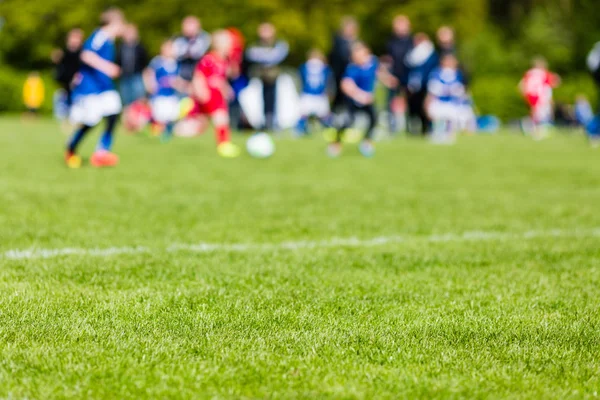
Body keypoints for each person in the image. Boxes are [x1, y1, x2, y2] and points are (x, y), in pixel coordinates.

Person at [65, 7, 126, 169]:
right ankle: (71, 148)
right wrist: (107, 67)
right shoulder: (100, 36)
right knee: (91, 121)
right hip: (91, 88)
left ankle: (101, 153)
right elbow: (86, 55)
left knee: (113, 115)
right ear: (115, 22)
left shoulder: (109, 40)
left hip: (105, 87)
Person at [328, 42, 396, 158]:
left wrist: (388, 80)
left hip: (368, 99)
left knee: (374, 120)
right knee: (348, 122)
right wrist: (360, 95)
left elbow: (379, 73)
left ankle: (366, 143)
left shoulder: (373, 63)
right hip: (355, 100)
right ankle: (336, 143)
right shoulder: (352, 68)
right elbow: (346, 85)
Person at [191, 30, 241, 158]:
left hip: (217, 95)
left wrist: (226, 89)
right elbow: (199, 76)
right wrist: (201, 91)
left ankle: (224, 144)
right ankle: (223, 145)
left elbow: (222, 78)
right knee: (220, 118)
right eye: (229, 43)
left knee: (215, 119)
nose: (231, 46)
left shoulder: (224, 61)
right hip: (209, 94)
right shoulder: (209, 59)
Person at [245, 23, 289, 131]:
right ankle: (257, 122)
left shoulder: (279, 44)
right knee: (256, 101)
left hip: (273, 78)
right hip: (257, 78)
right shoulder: (255, 45)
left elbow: (276, 56)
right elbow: (250, 55)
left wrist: (263, 56)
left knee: (273, 101)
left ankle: (271, 122)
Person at [143, 39, 185, 141]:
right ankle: (156, 129)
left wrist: (182, 85)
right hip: (159, 94)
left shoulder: (175, 64)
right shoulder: (157, 61)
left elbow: (176, 79)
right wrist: (150, 85)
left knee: (172, 114)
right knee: (160, 114)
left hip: (171, 94)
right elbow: (148, 73)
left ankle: (166, 133)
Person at [425, 54, 469, 143]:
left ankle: (449, 134)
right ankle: (437, 132)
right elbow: (432, 92)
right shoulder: (436, 74)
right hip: (439, 101)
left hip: (452, 103)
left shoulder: (458, 75)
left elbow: (461, 92)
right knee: (436, 114)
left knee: (453, 116)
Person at [405, 33, 438, 135]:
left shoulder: (431, 54)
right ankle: (413, 129)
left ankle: (427, 129)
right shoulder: (411, 54)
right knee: (413, 108)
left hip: (426, 85)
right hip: (413, 86)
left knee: (425, 108)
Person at [519, 57, 561, 137]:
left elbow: (521, 85)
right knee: (540, 114)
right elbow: (555, 81)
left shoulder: (529, 73)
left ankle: (530, 127)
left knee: (534, 113)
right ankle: (535, 130)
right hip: (539, 95)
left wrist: (524, 94)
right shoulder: (543, 73)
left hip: (530, 95)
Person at [385, 15, 413, 133]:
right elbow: (387, 60)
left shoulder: (412, 42)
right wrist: (388, 76)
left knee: (411, 102)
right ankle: (391, 127)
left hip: (408, 76)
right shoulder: (391, 42)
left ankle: (410, 127)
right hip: (393, 76)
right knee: (390, 102)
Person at [296, 49, 333, 135]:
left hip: (318, 94)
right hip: (309, 94)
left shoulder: (306, 67)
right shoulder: (306, 67)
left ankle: (328, 129)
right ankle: (301, 130)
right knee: (303, 114)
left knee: (324, 114)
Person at [329, 16, 359, 111]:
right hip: (339, 75)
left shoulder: (355, 42)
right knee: (338, 97)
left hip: (351, 76)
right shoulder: (338, 42)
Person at [117, 24, 148, 105]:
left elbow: (144, 64)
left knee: (139, 99)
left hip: (137, 76)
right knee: (126, 100)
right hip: (124, 77)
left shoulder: (140, 47)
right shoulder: (120, 47)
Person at [173, 16, 211, 82]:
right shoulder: (179, 39)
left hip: (201, 74)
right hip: (183, 75)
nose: (188, 29)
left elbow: (199, 53)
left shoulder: (205, 37)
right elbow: (177, 53)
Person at [52, 28, 84, 107]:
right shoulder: (63, 53)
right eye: (73, 38)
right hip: (65, 84)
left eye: (77, 38)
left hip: (79, 84)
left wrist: (77, 77)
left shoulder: (83, 53)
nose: (74, 40)